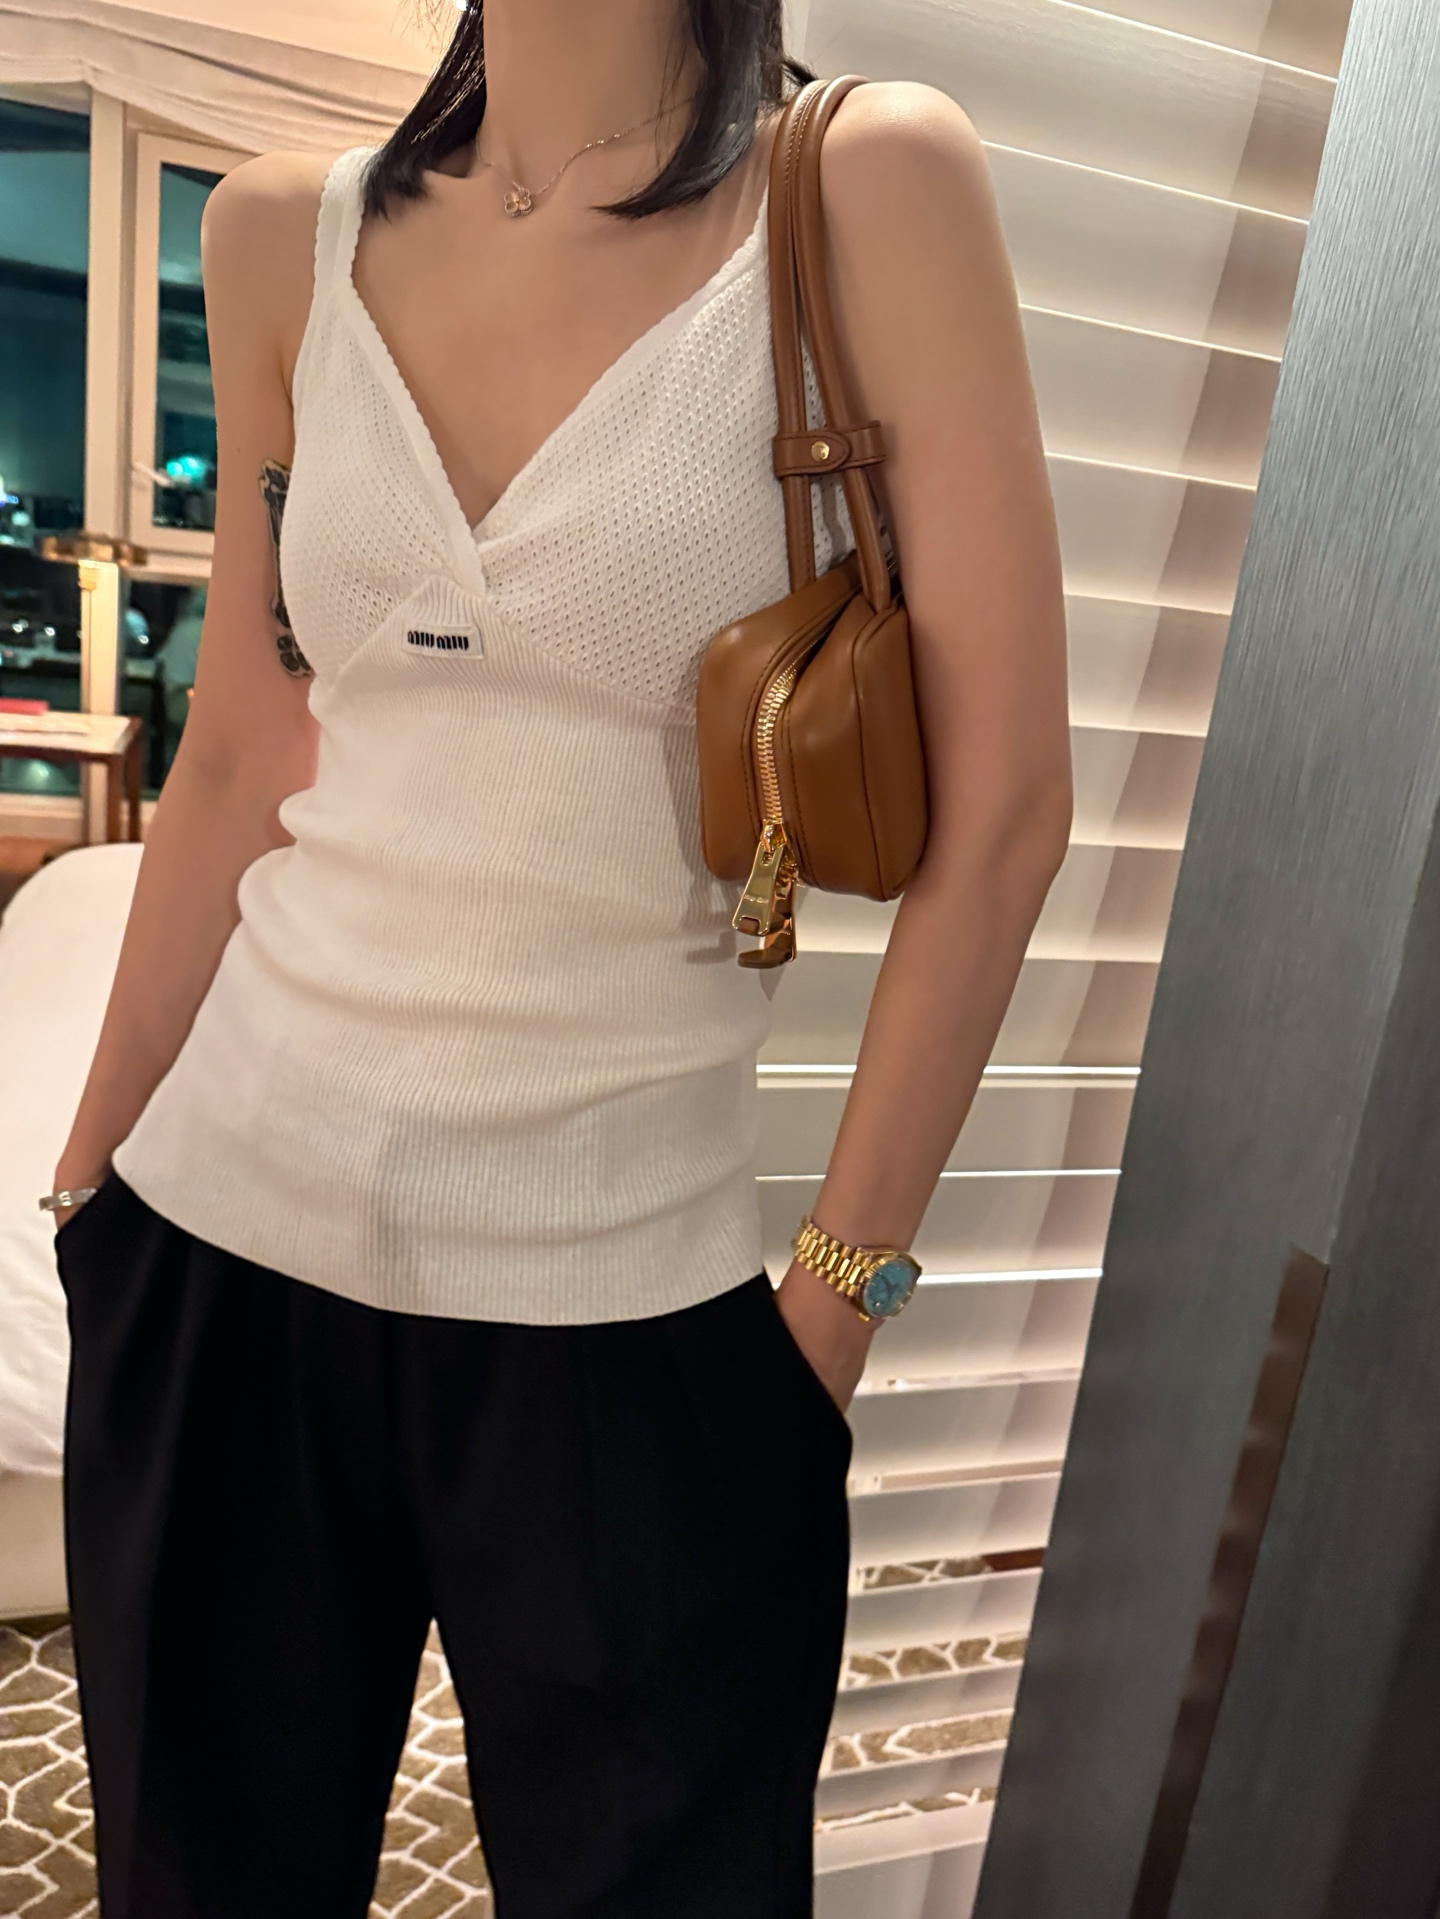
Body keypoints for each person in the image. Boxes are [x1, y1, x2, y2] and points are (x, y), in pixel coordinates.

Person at [46, 0, 1071, 1913]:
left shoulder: (859, 189)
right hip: (219, 1252)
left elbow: (1006, 811)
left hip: (636, 1318)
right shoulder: (278, 235)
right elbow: (248, 751)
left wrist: (833, 1306)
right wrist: (85, 1185)